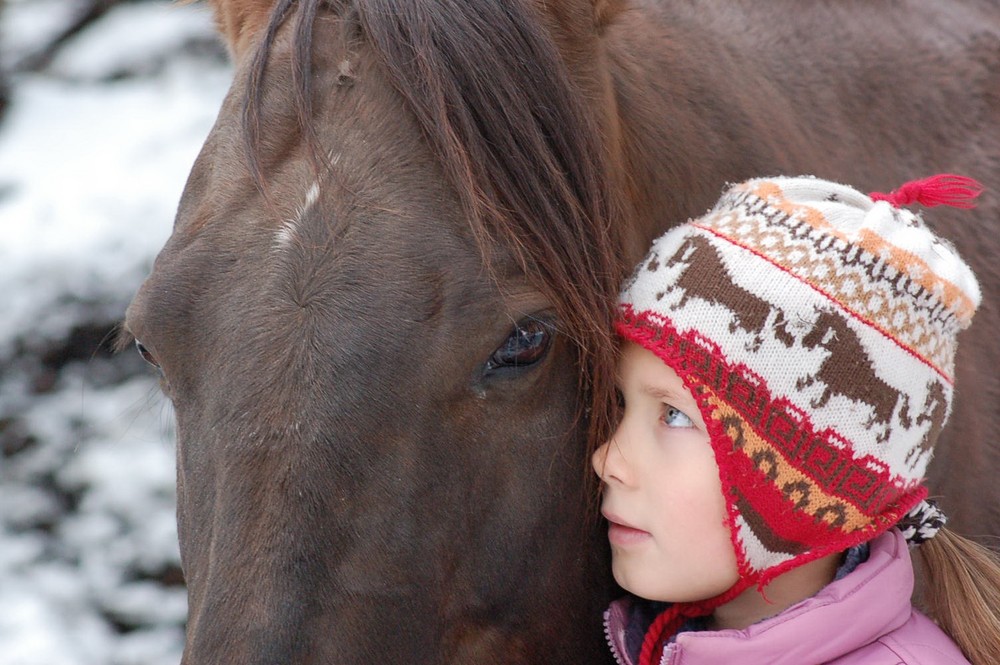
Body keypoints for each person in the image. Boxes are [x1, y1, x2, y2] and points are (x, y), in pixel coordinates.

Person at [592, 175, 1000, 665]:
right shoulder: (661, 641)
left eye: (676, 415)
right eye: (621, 404)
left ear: (806, 483)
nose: (607, 459)